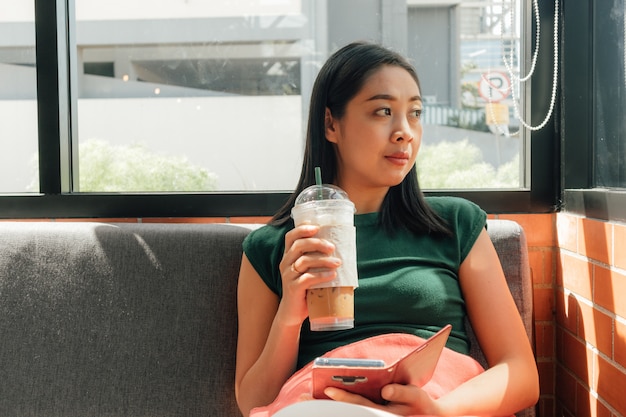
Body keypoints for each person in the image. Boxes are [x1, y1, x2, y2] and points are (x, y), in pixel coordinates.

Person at [234, 41, 539, 417]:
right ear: (331, 124)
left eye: (414, 113)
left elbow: (521, 375)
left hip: (440, 400)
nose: (404, 132)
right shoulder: (273, 248)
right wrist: (290, 314)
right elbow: (253, 402)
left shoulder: (456, 225)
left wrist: (438, 412)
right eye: (383, 112)